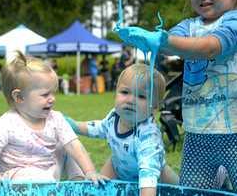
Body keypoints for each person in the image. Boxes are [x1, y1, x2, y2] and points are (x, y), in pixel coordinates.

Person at [116, 0, 237, 194]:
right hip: (198, 133)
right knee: (193, 191)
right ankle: (221, 179)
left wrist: (163, 41)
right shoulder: (188, 26)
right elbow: (170, 45)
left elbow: (210, 47)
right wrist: (148, 39)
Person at [0, 51, 107, 185]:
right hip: (19, 176)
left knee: (67, 147)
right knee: (35, 176)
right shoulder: (6, 124)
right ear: (19, 97)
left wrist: (90, 171)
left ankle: (79, 184)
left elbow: (75, 146)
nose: (52, 99)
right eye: (45, 95)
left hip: (50, 169)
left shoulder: (56, 118)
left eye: (53, 93)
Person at [66, 63, 178, 196]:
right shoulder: (114, 116)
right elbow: (99, 128)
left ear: (154, 108)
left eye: (141, 96)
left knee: (177, 190)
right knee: (98, 190)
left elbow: (148, 174)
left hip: (155, 174)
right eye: (125, 92)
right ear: (115, 94)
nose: (131, 100)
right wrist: (74, 125)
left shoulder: (148, 136)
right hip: (117, 166)